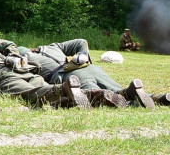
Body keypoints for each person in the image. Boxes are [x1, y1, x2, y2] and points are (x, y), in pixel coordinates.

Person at [20, 39, 168, 109]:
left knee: (98, 97)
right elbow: (81, 42)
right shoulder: (53, 47)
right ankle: (159, 99)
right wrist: (82, 59)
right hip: (91, 69)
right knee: (123, 91)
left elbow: (30, 79)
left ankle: (132, 103)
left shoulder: (25, 59)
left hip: (71, 77)